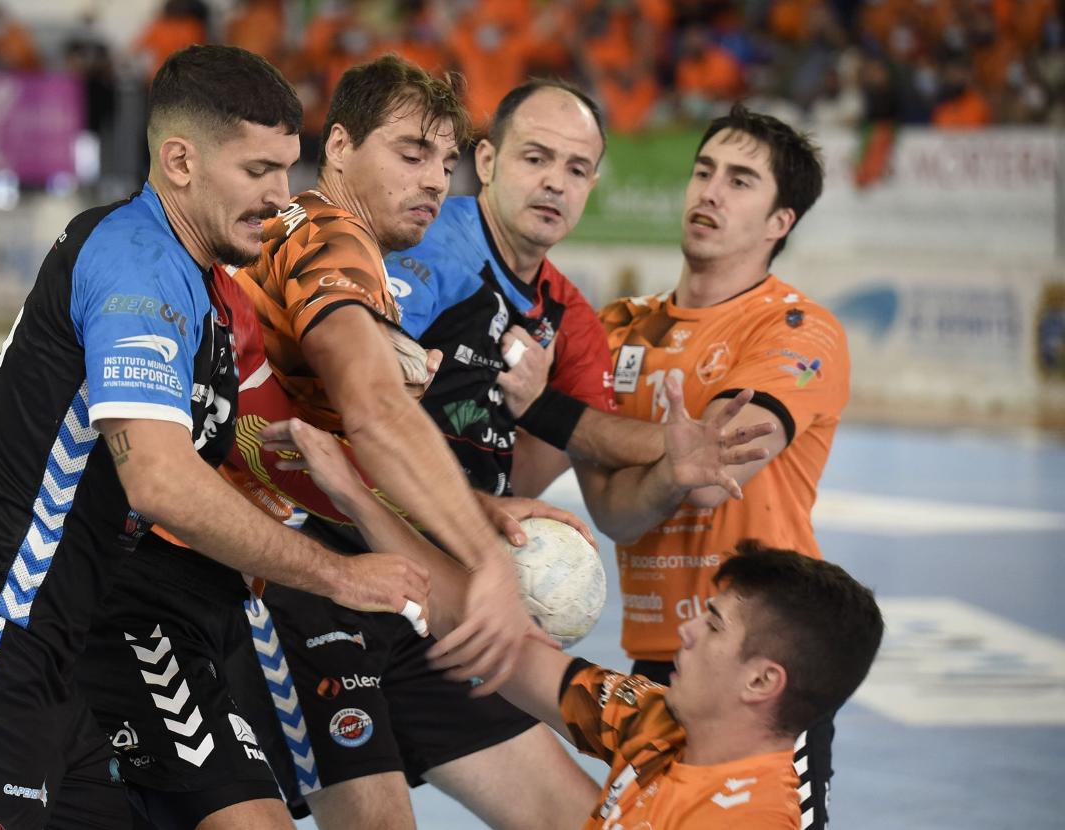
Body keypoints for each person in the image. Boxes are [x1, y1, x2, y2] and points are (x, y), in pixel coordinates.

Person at [0, 45, 427, 830]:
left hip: (55, 660)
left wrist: (425, 490)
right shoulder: (134, 260)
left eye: (286, 169)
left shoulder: (213, 296)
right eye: (257, 170)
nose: (280, 197)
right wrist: (339, 577)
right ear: (180, 161)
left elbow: (258, 445)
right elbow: (160, 484)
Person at [80, 54, 591, 830]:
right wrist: (484, 561)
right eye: (411, 154)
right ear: (342, 148)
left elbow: (337, 452)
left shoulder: (329, 252)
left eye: (445, 163)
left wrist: (469, 509)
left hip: (256, 573)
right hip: (210, 579)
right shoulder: (327, 233)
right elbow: (374, 413)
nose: (433, 182)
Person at [259, 408, 884, 830]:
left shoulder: (744, 817)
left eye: (714, 626)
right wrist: (352, 497)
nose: (688, 629)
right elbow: (504, 645)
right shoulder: (655, 721)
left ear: (761, 682)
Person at [593, 103, 846, 827]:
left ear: (779, 223)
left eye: (740, 181)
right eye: (704, 171)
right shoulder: (618, 330)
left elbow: (726, 449)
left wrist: (634, 448)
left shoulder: (799, 329)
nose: (709, 191)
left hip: (758, 669)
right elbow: (614, 510)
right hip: (657, 663)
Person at [385, 78, 772, 510]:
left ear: (591, 185)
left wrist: (672, 445)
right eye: (536, 159)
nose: (556, 183)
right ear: (487, 161)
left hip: (459, 534)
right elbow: (352, 394)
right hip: (367, 519)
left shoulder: (572, 319)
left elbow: (584, 439)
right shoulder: (427, 247)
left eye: (577, 169)